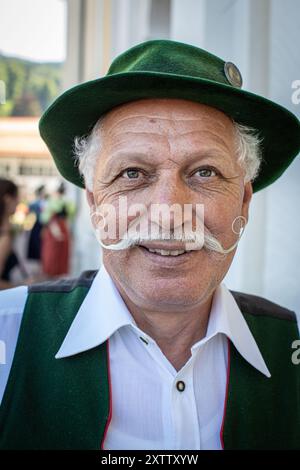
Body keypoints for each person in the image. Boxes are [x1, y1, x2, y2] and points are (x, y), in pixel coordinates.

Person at [0, 40, 299, 450]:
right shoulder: (8, 336)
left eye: (205, 172)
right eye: (132, 173)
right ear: (94, 202)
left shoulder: (291, 349)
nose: (168, 212)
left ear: (244, 201)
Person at [0, 179, 29, 289]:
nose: (18, 202)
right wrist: (25, 286)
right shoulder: (5, 238)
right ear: (7, 199)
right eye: (16, 197)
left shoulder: (7, 232)